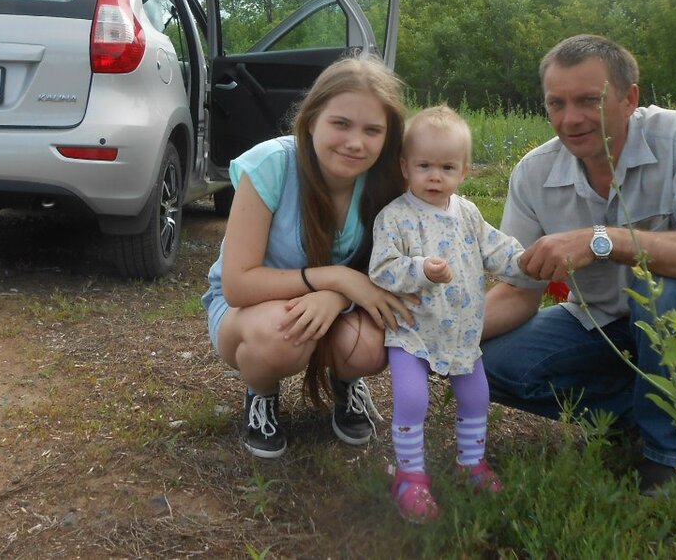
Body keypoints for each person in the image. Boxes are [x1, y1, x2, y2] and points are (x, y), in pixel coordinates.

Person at [480, 34, 676, 495]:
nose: (570, 119)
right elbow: (521, 290)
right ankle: (645, 412)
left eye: (588, 100)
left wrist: (606, 241)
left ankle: (670, 464)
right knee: (487, 364)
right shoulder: (534, 173)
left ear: (630, 98)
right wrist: (445, 332)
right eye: (556, 103)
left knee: (661, 289)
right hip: (607, 328)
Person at [202, 54, 417, 459]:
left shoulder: (386, 181)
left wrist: (337, 294)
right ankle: (262, 394)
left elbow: (387, 272)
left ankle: (345, 382)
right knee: (279, 337)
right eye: (341, 123)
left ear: (388, 137)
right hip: (249, 311)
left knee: (369, 347)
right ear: (312, 118)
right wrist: (335, 277)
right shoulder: (271, 165)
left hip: (337, 305)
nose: (356, 142)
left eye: (373, 130)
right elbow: (238, 284)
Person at [370, 105, 540, 521]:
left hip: (462, 331)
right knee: (412, 399)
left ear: (464, 171)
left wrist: (530, 264)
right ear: (405, 166)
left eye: (446, 167)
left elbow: (497, 250)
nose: (434, 176)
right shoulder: (395, 217)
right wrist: (419, 270)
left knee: (476, 396)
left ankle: (472, 464)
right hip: (413, 330)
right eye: (424, 165)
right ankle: (410, 476)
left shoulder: (468, 214)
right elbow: (382, 268)